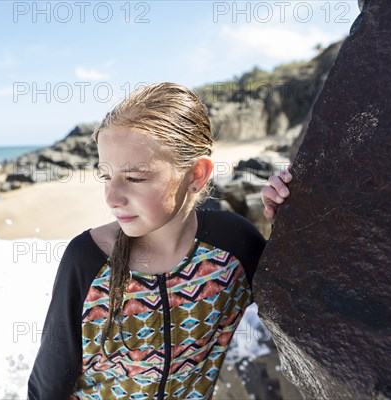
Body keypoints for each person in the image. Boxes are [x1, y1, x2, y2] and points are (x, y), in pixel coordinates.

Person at [28, 82, 291, 399]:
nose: (112, 198)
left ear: (197, 174)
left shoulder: (234, 246)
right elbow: (48, 386)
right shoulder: (88, 261)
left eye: (135, 178)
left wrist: (288, 222)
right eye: (106, 176)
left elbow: (294, 308)